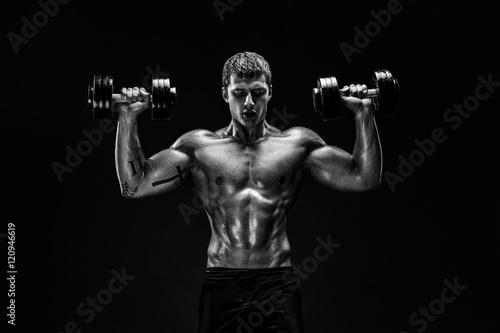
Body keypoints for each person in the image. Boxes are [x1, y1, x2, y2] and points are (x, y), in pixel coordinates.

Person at [114, 51, 382, 332]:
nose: (249, 102)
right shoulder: (199, 147)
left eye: (258, 92)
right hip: (222, 284)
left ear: (270, 92)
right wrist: (127, 118)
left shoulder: (297, 145)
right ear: (224, 93)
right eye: (239, 93)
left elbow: (364, 178)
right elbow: (135, 186)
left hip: (277, 283)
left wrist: (364, 114)